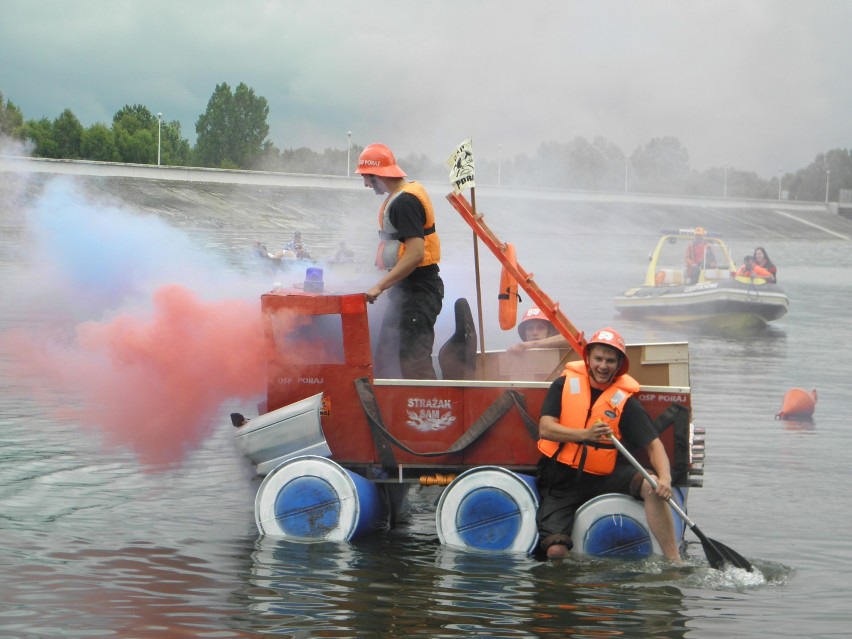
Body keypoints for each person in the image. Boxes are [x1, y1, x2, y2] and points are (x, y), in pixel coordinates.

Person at [535, 327, 681, 561]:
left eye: (610, 361)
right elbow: (546, 428)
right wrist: (586, 434)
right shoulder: (562, 386)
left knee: (652, 485)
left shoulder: (624, 402)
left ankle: (674, 561)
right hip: (561, 479)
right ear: (588, 358)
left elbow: (654, 446)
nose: (603, 366)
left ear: (619, 364)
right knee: (555, 551)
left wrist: (665, 478)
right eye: (599, 359)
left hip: (604, 476)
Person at [356, 143, 444, 379]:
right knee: (386, 355)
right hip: (405, 289)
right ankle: (390, 410)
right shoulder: (400, 197)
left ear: (378, 176)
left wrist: (379, 286)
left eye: (366, 178)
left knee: (413, 361)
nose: (365, 184)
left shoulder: (405, 203)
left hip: (419, 290)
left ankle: (430, 411)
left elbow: (415, 254)